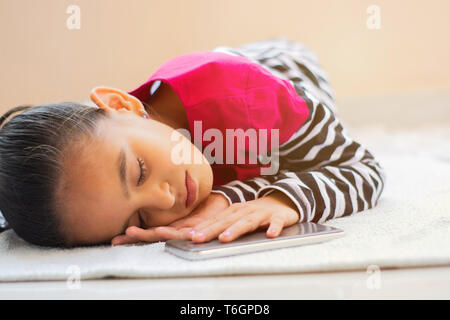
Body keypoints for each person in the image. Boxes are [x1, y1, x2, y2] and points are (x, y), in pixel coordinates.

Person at [0, 38, 386, 248]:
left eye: (140, 172)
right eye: (139, 220)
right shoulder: (129, 156)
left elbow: (363, 170)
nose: (166, 201)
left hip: (276, 63)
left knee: (289, 161)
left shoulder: (255, 99)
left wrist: (275, 200)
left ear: (124, 105)